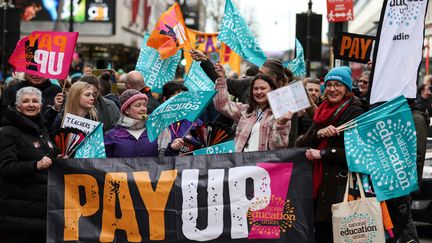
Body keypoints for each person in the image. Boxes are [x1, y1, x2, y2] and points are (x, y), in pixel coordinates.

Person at [295, 66, 364, 242]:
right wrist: (318, 134)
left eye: (338, 85)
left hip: (340, 188)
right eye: (330, 85)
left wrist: (324, 153)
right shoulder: (321, 111)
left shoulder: (355, 111)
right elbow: (300, 143)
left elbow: (358, 154)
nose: (333, 89)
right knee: (321, 234)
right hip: (318, 186)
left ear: (347, 88)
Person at [0, 87, 59, 243]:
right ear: (18, 106)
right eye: (26, 101)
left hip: (42, 211)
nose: (31, 104)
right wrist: (35, 165)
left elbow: (47, 156)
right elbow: (5, 168)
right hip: (19, 217)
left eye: (35, 101)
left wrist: (59, 157)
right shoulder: (6, 132)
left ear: (40, 105)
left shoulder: (41, 129)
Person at [213, 63, 292, 152]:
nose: (259, 92)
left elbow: (279, 146)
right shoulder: (245, 110)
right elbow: (222, 105)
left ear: (271, 90)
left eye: (263, 88)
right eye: (255, 88)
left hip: (260, 164)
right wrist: (221, 79)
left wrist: (281, 123)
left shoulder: (280, 115)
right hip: (239, 162)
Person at [104, 89, 183, 157]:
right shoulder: (111, 135)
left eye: (144, 105)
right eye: (138, 105)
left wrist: (172, 149)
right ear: (126, 110)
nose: (143, 109)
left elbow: (164, 162)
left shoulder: (155, 131)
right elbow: (104, 165)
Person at [160, 81, 204, 154]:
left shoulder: (195, 121)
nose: (182, 101)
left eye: (184, 98)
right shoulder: (156, 121)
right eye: (178, 98)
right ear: (165, 99)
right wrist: (171, 148)